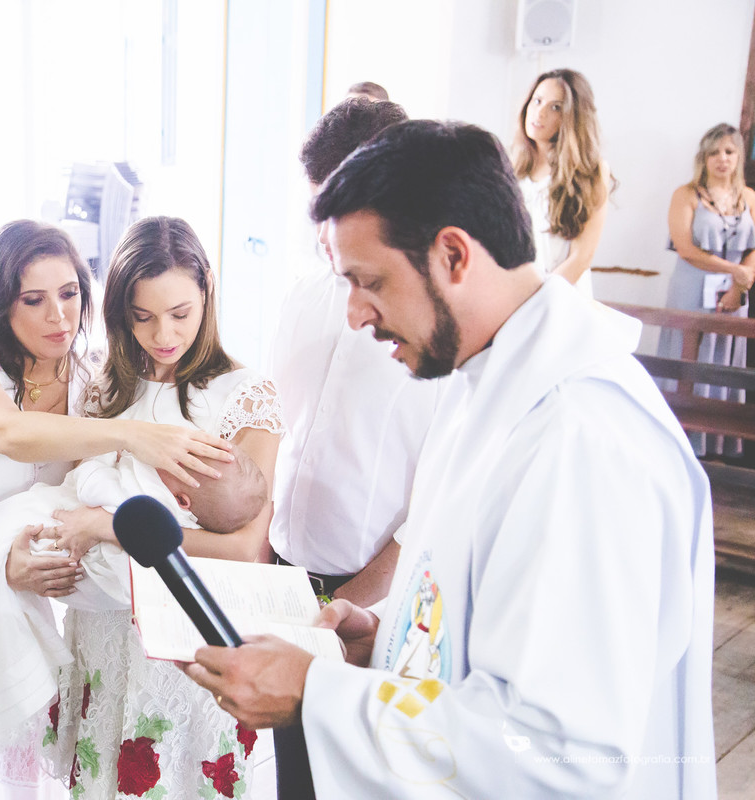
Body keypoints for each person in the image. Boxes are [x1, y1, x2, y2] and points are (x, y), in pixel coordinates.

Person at [184, 120, 716, 799]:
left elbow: (559, 753)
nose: (353, 314)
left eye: (367, 280)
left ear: (454, 256)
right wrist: (390, 639)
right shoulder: (482, 386)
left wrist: (317, 693)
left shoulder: (580, 442)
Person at [0, 218, 235, 798]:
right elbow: (7, 432)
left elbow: (80, 492)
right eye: (33, 300)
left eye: (69, 295)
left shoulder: (89, 375)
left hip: (26, 589)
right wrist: (132, 436)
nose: (58, 317)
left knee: (19, 771)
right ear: (1, 301)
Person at [26, 216, 283, 799]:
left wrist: (109, 526)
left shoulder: (246, 396)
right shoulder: (101, 388)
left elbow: (247, 548)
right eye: (141, 317)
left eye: (179, 314)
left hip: (188, 631)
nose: (162, 334)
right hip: (105, 624)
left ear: (206, 292)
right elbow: (73, 493)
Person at [270, 95, 445, 799]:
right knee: (288, 772)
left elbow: (430, 505)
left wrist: (354, 601)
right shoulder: (302, 298)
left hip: (371, 599)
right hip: (280, 568)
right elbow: (279, 431)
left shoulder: (436, 335)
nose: (328, 236)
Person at [0, 447, 267, 760]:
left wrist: (108, 457)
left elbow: (91, 483)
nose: (185, 459)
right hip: (115, 611)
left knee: (14, 522)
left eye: (190, 467)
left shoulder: (150, 493)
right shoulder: (191, 509)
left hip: (96, 561)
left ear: (182, 500)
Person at [657, 122, 755, 458]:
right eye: (714, 152)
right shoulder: (686, 195)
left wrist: (740, 284)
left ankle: (714, 447)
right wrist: (736, 271)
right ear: (704, 157)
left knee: (723, 356)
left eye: (728, 151)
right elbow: (686, 248)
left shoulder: (750, 198)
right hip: (692, 285)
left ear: (738, 156)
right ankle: (677, 440)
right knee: (687, 355)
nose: (722, 159)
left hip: (734, 293)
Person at [512, 68, 612, 297]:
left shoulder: (591, 171)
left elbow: (581, 257)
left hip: (561, 294)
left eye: (555, 107)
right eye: (537, 101)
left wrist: (537, 299)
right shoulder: (511, 166)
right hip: (514, 293)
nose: (540, 113)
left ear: (573, 116)